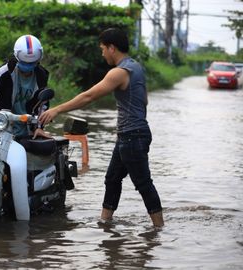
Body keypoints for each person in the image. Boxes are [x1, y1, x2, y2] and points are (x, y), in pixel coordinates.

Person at [39, 28, 164, 227]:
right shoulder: (136, 67)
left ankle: (159, 229)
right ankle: (105, 222)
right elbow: (145, 101)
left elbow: (89, 96)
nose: (102, 53)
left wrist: (57, 110)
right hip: (133, 134)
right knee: (112, 179)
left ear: (112, 48)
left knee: (143, 184)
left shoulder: (119, 72)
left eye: (103, 49)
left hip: (132, 136)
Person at [0, 34, 51, 139]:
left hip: (25, 119)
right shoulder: (6, 71)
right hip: (2, 117)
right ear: (17, 57)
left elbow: (42, 104)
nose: (27, 67)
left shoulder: (41, 76)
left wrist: (39, 127)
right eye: (24, 63)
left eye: (32, 63)